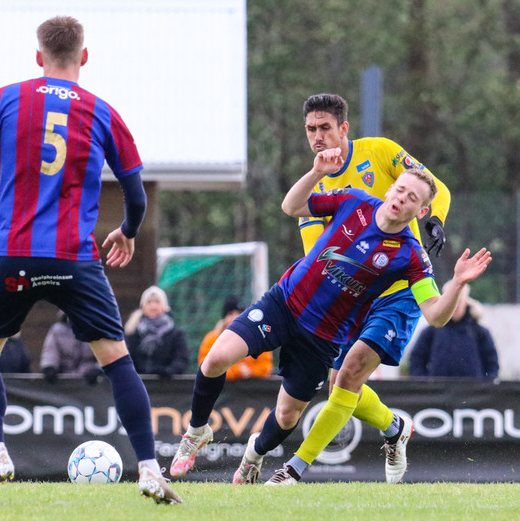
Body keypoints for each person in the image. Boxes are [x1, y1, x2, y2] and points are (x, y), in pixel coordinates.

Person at [0, 16, 181, 504]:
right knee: (118, 361)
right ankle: (149, 468)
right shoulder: (102, 112)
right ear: (84, 56)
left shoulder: (7, 98)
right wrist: (128, 231)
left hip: (12, 255)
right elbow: (137, 195)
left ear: (39, 56)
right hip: (74, 260)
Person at [168, 151, 490, 487]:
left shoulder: (410, 254)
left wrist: (457, 283)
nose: (401, 198)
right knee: (215, 359)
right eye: (399, 189)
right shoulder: (354, 201)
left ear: (422, 211)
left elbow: (435, 316)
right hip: (284, 304)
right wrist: (315, 172)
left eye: (412, 198)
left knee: (287, 416)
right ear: (389, 189)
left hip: (323, 337)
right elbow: (291, 207)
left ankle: (255, 454)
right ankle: (196, 431)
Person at [288, 93, 452, 484]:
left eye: (325, 128)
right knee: (340, 386)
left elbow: (437, 188)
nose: (318, 137)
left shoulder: (379, 151)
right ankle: (394, 427)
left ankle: (292, 470)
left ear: (343, 128)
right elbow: (318, 254)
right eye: (310, 129)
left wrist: (435, 220)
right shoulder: (315, 186)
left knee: (350, 373)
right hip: (351, 297)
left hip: (399, 286)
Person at [409, 281, 499, 378]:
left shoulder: (480, 332)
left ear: (466, 301)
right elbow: (416, 360)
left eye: (459, 301)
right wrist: (425, 383)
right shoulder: (431, 332)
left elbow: (492, 364)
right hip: (438, 387)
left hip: (473, 388)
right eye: (451, 301)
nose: (455, 306)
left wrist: (484, 385)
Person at [198, 296, 273, 380]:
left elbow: (265, 368)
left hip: (253, 387)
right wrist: (236, 372)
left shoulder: (257, 338)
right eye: (230, 314)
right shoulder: (212, 338)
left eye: (239, 313)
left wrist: (250, 371)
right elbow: (205, 366)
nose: (235, 317)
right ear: (224, 318)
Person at [124, 286, 189, 377]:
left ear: (164, 306)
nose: (153, 306)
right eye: (149, 302)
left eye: (157, 302)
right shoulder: (132, 331)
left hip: (166, 382)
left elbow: (182, 359)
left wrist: (168, 371)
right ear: (143, 306)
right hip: (136, 381)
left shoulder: (175, 333)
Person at [40, 311, 103, 384]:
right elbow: (50, 351)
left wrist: (98, 369)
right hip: (65, 378)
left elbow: (107, 354)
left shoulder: (99, 330)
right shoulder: (57, 330)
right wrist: (49, 366)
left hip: (90, 378)